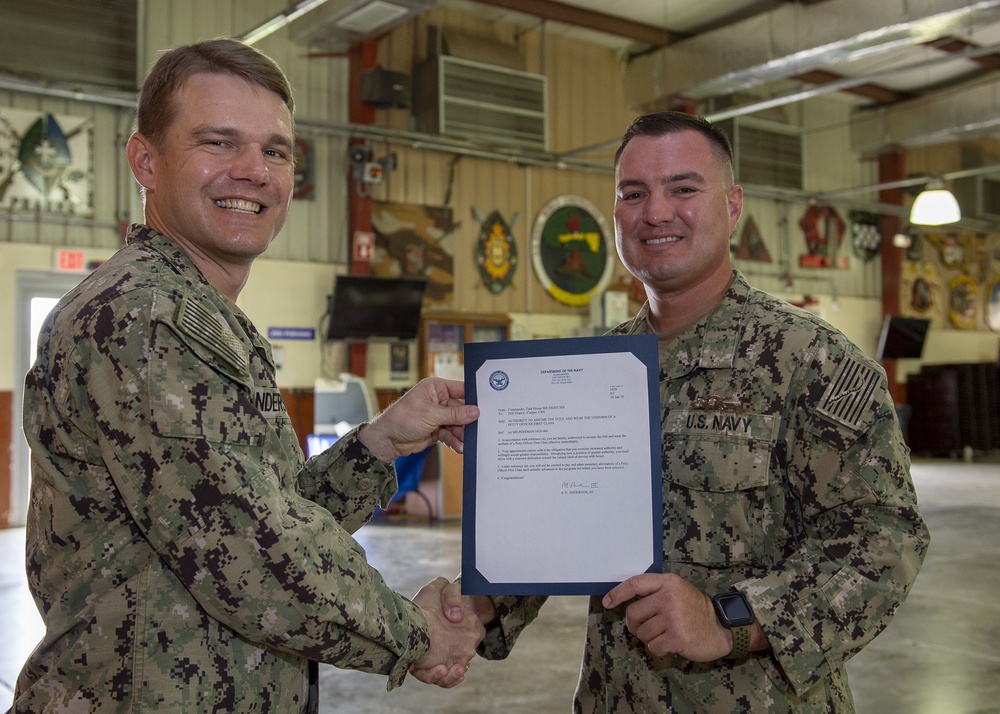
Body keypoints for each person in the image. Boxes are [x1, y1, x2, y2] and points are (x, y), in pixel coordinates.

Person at [10, 39, 484, 713]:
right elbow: (252, 557)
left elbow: (272, 512)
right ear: (145, 161)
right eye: (218, 142)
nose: (253, 171)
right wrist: (415, 634)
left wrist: (382, 441)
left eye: (275, 150)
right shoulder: (146, 318)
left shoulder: (206, 317)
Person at [424, 111, 930, 711]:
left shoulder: (812, 362)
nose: (656, 212)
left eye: (684, 189)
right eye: (633, 194)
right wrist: (477, 605)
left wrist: (728, 621)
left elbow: (883, 541)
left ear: (733, 205)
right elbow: (562, 529)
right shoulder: (585, 372)